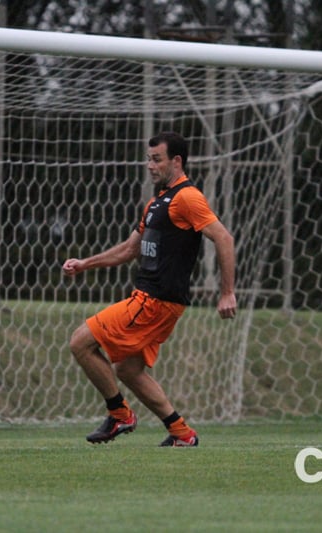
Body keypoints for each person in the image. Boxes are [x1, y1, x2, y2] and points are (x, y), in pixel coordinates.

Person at [63, 132, 236, 447]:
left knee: (80, 342)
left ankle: (120, 415)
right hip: (152, 300)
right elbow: (129, 250)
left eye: (156, 159)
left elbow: (223, 238)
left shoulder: (188, 197)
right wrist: (85, 263)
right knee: (129, 370)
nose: (150, 165)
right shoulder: (157, 202)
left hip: (154, 301)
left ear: (176, 161)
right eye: (148, 159)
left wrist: (227, 292)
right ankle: (182, 433)